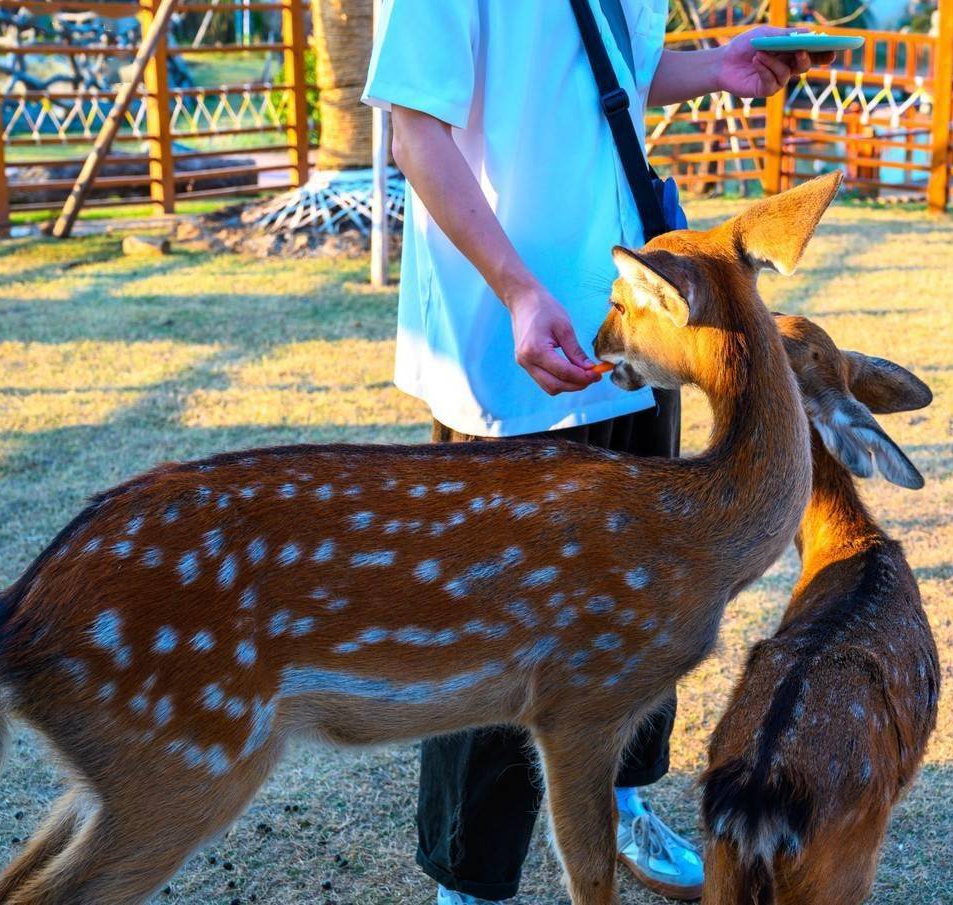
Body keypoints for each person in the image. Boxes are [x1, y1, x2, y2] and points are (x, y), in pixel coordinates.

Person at [362, 4, 825, 902]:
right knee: (497, 626)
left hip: (638, 323)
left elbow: (610, 66)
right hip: (514, 335)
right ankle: (472, 871)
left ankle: (620, 802)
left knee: (651, 593)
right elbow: (415, 131)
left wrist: (719, 68)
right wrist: (518, 292)